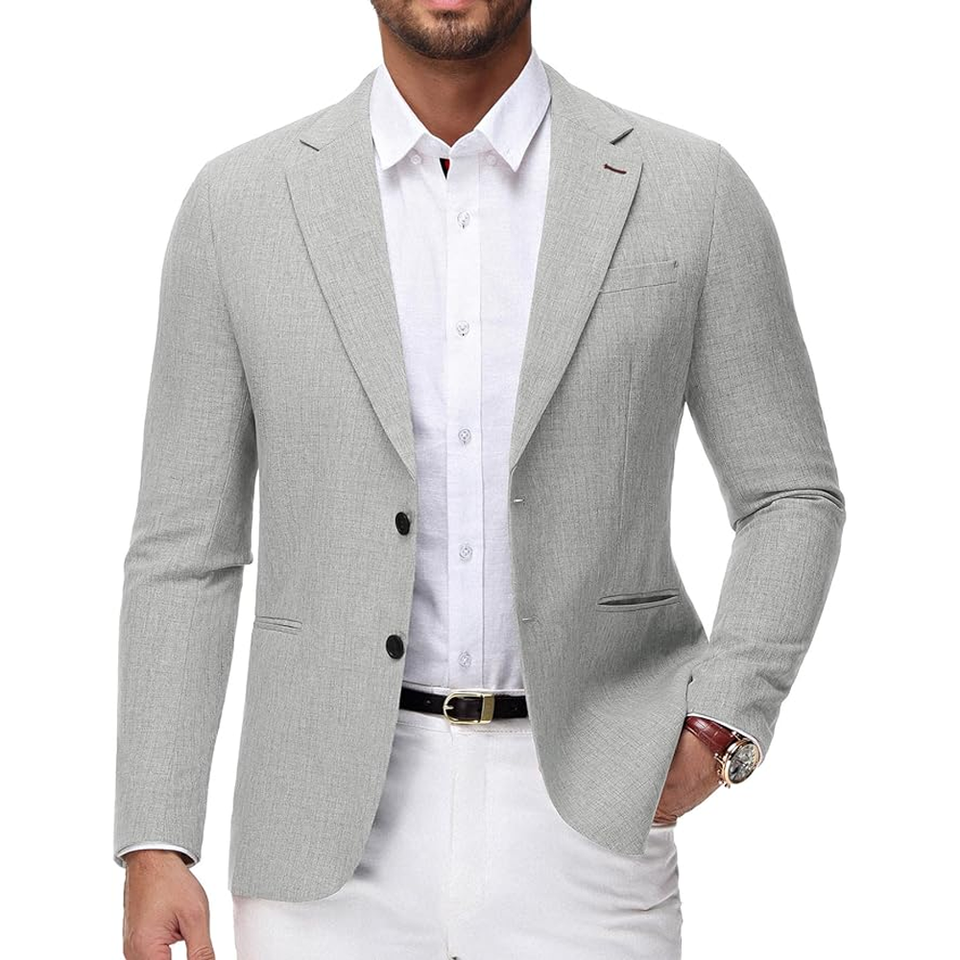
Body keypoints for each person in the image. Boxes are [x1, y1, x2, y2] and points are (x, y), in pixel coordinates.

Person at [115, 2, 846, 957]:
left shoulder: (689, 189)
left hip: (591, 818)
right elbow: (185, 549)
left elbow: (790, 494)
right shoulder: (239, 205)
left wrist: (723, 723)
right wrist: (156, 839)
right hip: (317, 833)